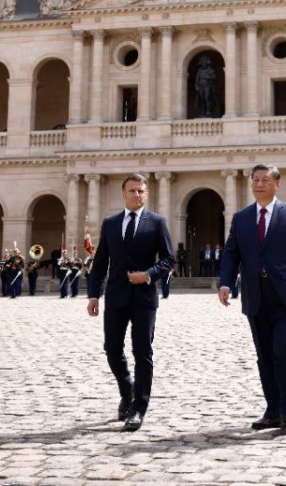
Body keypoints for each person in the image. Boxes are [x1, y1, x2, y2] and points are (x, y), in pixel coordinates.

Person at [219, 164, 286, 432]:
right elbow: (231, 253)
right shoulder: (241, 218)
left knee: (282, 351)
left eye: (265, 180)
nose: (259, 184)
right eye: (256, 180)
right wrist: (226, 282)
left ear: (277, 184)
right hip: (255, 295)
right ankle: (272, 410)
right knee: (264, 355)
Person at [86, 174, 175, 432]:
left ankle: (138, 408)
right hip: (115, 296)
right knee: (112, 348)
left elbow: (169, 259)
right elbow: (101, 261)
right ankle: (127, 390)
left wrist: (148, 275)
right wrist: (94, 294)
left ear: (146, 194)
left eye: (141, 191)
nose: (137, 195)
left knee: (142, 352)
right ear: (123, 193)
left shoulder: (157, 222)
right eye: (133, 191)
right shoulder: (110, 223)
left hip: (144, 298)